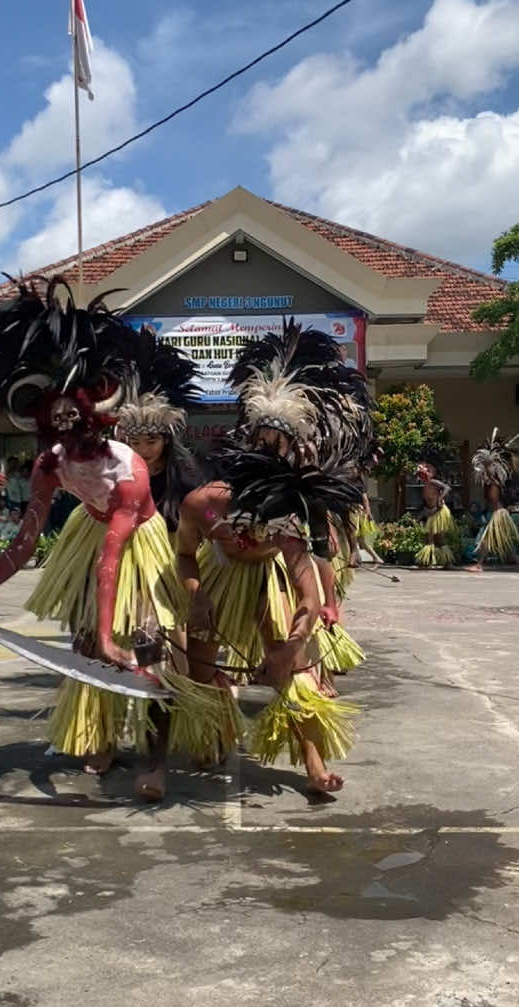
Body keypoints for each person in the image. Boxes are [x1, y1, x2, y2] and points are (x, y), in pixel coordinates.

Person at [0, 277, 209, 803]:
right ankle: (100, 734)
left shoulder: (127, 467)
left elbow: (114, 555)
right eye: (57, 435)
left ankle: (154, 758)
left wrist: (116, 633)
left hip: (138, 542)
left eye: (76, 432)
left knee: (150, 645)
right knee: (88, 646)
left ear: (94, 420)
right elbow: (23, 541)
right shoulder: (49, 464)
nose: (69, 447)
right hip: (90, 531)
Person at [176, 320, 373, 795]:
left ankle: (313, 762)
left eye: (277, 443)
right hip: (219, 577)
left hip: (269, 579)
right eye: (261, 441)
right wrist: (196, 594)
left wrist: (291, 644)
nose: (268, 449)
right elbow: (184, 556)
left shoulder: (286, 513)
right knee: (200, 667)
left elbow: (306, 590)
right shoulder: (200, 503)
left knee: (295, 669)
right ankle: (211, 728)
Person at [114, 326, 202, 534]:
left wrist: (216, 522)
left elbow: (205, 509)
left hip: (178, 554)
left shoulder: (185, 475)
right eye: (135, 442)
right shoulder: (120, 473)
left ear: (166, 440)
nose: (144, 450)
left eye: (151, 441)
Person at [466, 424, 519, 572]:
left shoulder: (495, 484)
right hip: (500, 513)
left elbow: (494, 498)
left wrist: (488, 468)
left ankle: (479, 564)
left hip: (498, 514)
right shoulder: (494, 483)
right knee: (503, 542)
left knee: (486, 539)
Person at [415, 460, 455, 568]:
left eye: (423, 474)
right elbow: (426, 503)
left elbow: (447, 488)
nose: (422, 477)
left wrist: (440, 499)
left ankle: (446, 562)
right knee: (430, 537)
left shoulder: (433, 482)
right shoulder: (424, 487)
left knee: (438, 538)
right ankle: (429, 560)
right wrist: (421, 515)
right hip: (432, 512)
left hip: (439, 511)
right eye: (421, 475)